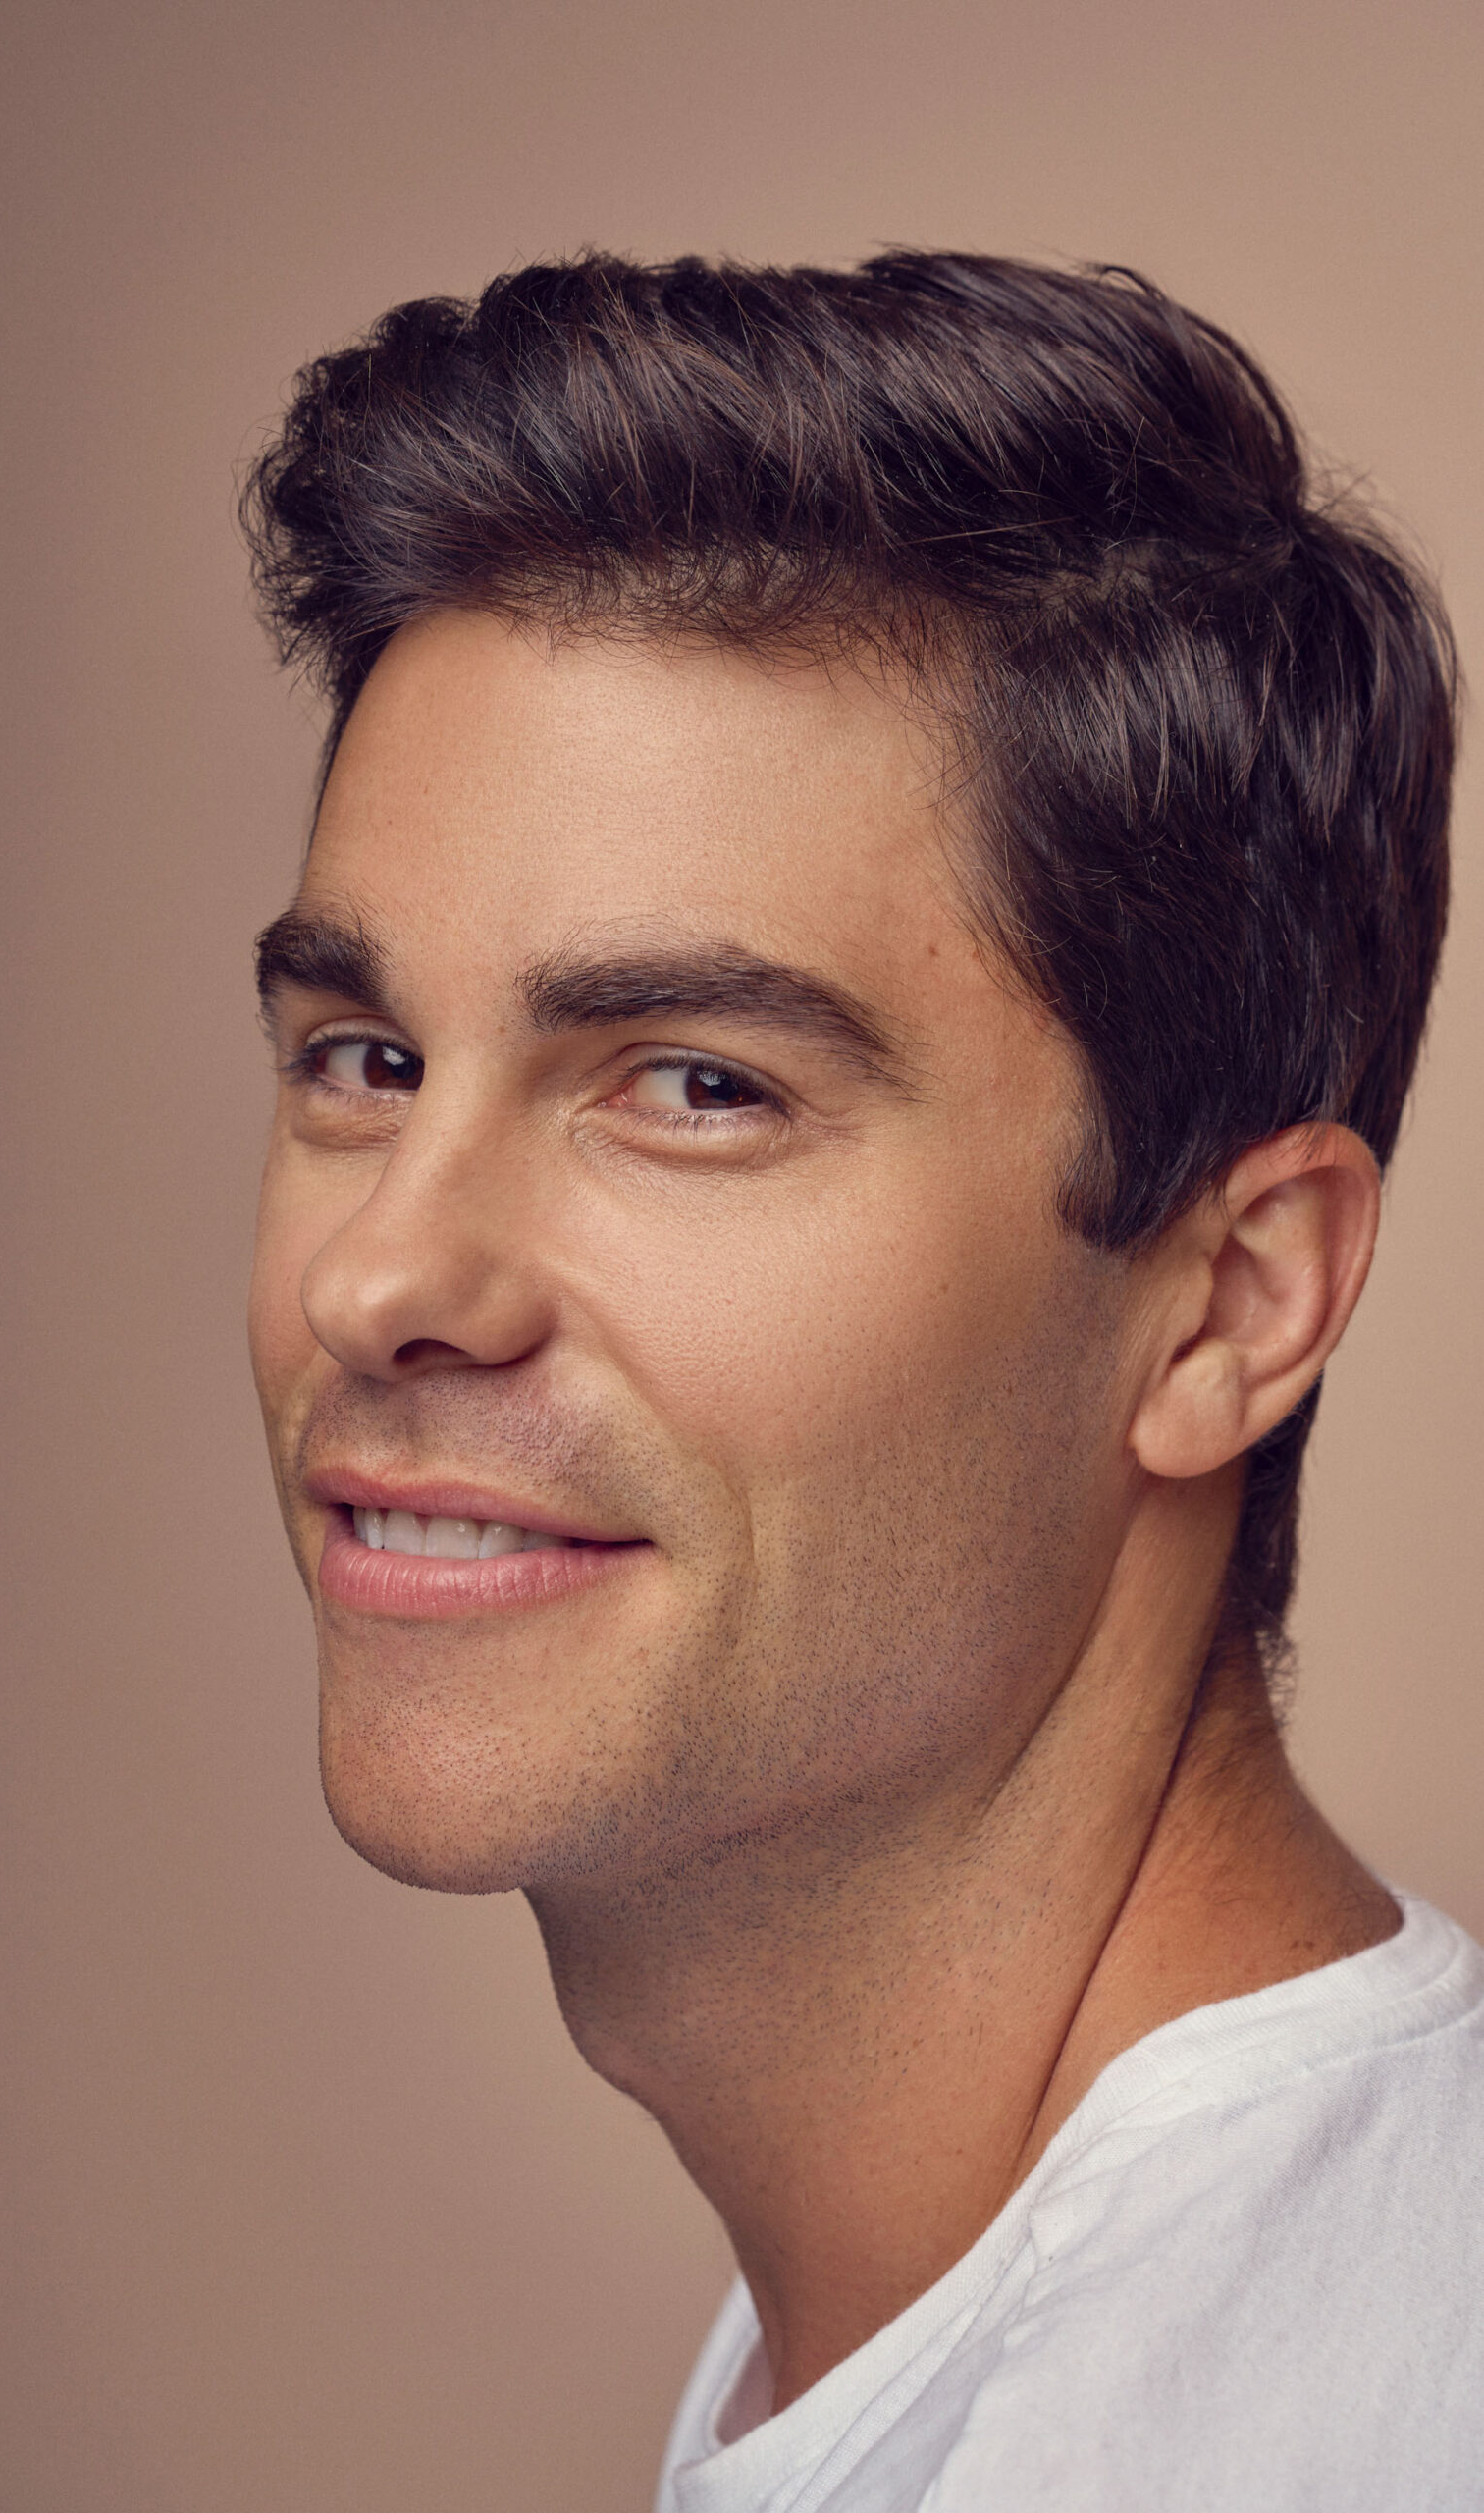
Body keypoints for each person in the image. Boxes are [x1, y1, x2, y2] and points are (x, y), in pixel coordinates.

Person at [240, 252, 1480, 2510]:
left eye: (694, 1084)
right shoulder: (966, 2337)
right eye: (365, 1055)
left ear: (1228, 1302)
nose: (385, 1272)